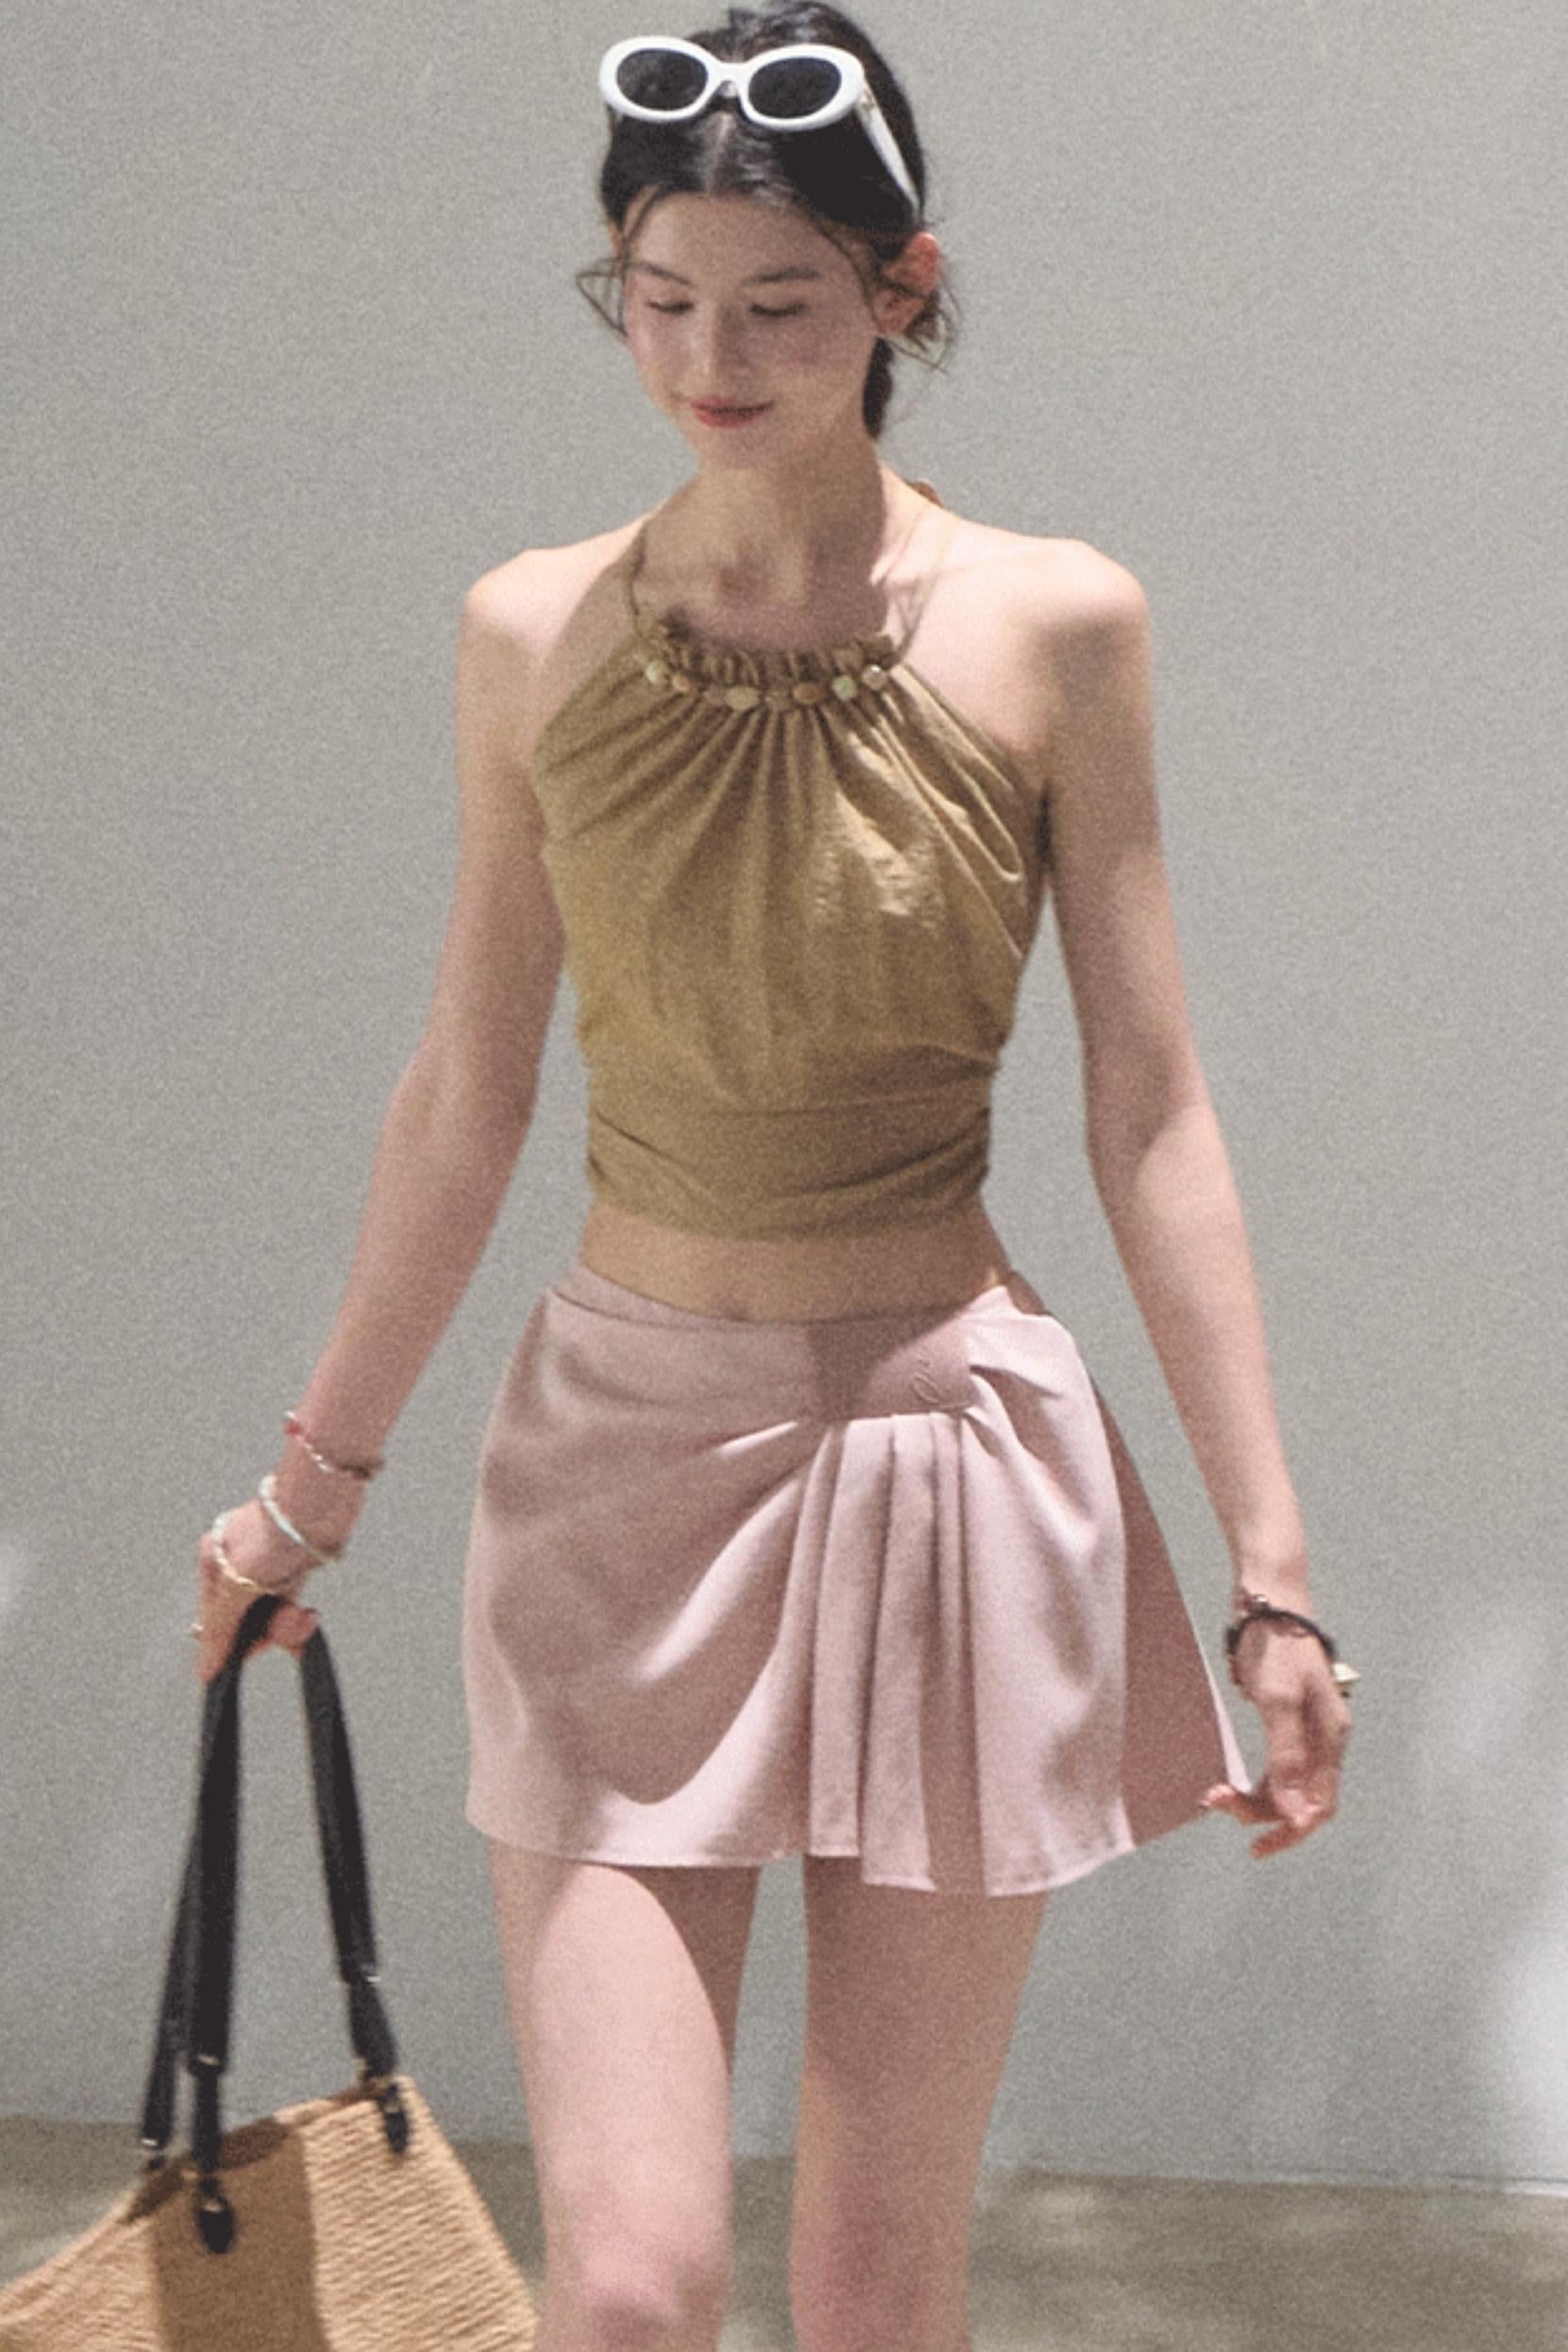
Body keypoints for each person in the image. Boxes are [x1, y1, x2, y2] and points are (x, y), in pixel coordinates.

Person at [191, 8, 1355, 2349]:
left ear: (903, 288)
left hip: (950, 1461)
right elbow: (467, 1091)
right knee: (630, 2286)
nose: (709, 359)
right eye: (661, 297)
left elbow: (1151, 1108)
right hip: (618, 1468)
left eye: (779, 303)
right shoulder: (531, 631)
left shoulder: (1057, 624)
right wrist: (307, 1491)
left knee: (875, 2291)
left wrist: (1272, 1574)